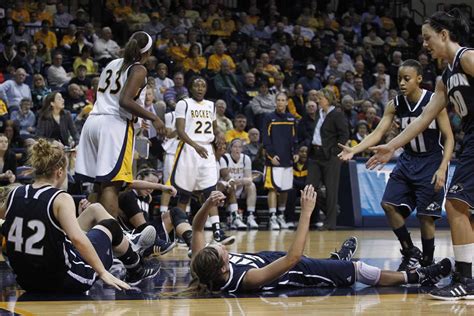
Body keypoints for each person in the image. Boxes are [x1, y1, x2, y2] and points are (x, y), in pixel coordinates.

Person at [366, 9, 474, 300]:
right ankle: (468, 274)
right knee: (464, 209)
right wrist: (392, 145)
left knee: (456, 205)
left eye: (428, 38)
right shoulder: (444, 78)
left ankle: (467, 280)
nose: (425, 44)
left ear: (444, 35)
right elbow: (423, 119)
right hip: (471, 140)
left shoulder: (467, 57)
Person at [189, 186, 453, 293]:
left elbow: (198, 229)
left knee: (335, 264)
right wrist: (306, 212)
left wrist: (207, 205)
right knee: (359, 270)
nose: (220, 245)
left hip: (279, 260)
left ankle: (335, 259)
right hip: (298, 271)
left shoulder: (203, 263)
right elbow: (293, 259)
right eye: (221, 251)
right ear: (224, 267)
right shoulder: (247, 279)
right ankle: (418, 276)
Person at [0, 139, 160, 293]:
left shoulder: (15, 193)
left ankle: (128, 245)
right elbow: (77, 239)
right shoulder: (60, 198)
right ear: (60, 172)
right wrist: (102, 272)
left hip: (26, 280)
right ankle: (135, 267)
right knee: (110, 226)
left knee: (94, 209)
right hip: (64, 280)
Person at [339, 59, 454, 271]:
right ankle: (409, 251)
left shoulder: (434, 101)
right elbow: (378, 132)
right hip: (407, 160)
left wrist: (443, 167)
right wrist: (355, 149)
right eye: (400, 78)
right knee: (388, 204)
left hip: (431, 161)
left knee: (426, 217)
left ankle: (428, 262)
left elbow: (449, 138)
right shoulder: (395, 104)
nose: (401, 83)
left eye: (407, 79)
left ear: (419, 79)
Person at [75, 31, 166, 219]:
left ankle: (88, 232)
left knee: (99, 184)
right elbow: (125, 101)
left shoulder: (111, 64)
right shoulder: (139, 69)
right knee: (112, 184)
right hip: (113, 125)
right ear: (148, 52)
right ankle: (109, 238)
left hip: (93, 121)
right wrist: (154, 118)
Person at [169, 76, 234, 245]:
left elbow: (213, 128)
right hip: (189, 150)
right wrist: (195, 146)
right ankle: (180, 232)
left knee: (210, 191)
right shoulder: (183, 104)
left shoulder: (210, 105)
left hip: (206, 151)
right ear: (191, 88)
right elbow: (180, 131)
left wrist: (219, 133)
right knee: (184, 194)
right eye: (196, 85)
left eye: (203, 85)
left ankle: (218, 231)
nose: (200, 88)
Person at [118, 168, 193, 256]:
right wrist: (161, 187)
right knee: (128, 198)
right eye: (149, 183)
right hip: (133, 237)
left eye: (154, 185)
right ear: (139, 179)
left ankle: (192, 242)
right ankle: (152, 243)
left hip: (150, 235)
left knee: (175, 212)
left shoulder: (147, 198)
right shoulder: (126, 194)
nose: (150, 189)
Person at [304, 89, 349, 230]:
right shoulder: (319, 113)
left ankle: (330, 223)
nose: (318, 101)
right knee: (311, 187)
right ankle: (328, 212)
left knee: (331, 190)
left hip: (330, 157)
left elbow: (345, 135)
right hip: (315, 155)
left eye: (320, 98)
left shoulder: (337, 114)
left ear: (328, 99)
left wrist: (335, 152)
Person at [263, 92, 298, 230]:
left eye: (283, 100)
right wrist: (272, 156)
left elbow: (295, 139)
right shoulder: (268, 118)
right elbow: (266, 139)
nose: (280, 102)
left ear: (287, 102)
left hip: (287, 160)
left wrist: (295, 153)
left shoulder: (292, 119)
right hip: (274, 161)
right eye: (278, 100)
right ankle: (272, 217)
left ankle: (281, 215)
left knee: (285, 190)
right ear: (275, 102)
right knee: (272, 189)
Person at [219, 138, 258, 230]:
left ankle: (250, 216)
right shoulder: (224, 158)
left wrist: (241, 181)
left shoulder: (246, 158)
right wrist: (241, 181)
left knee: (251, 186)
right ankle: (233, 217)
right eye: (235, 147)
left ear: (242, 149)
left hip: (240, 189)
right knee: (229, 184)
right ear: (230, 148)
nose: (237, 149)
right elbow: (226, 178)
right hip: (227, 187)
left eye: (240, 147)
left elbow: (248, 179)